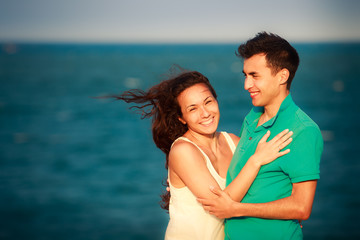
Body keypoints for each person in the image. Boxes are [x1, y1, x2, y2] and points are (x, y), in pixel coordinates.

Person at [114, 67, 293, 240]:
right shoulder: (183, 150)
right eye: (193, 109)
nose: (205, 113)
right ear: (181, 118)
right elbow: (221, 205)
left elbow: (270, 184)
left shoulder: (233, 142)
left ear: (216, 100)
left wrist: (281, 218)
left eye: (208, 102)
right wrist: (255, 161)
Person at [198, 32, 324, 240]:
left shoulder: (303, 130)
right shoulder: (252, 117)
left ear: (282, 76)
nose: (246, 85)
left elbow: (302, 207)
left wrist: (237, 209)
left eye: (255, 76)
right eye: (245, 75)